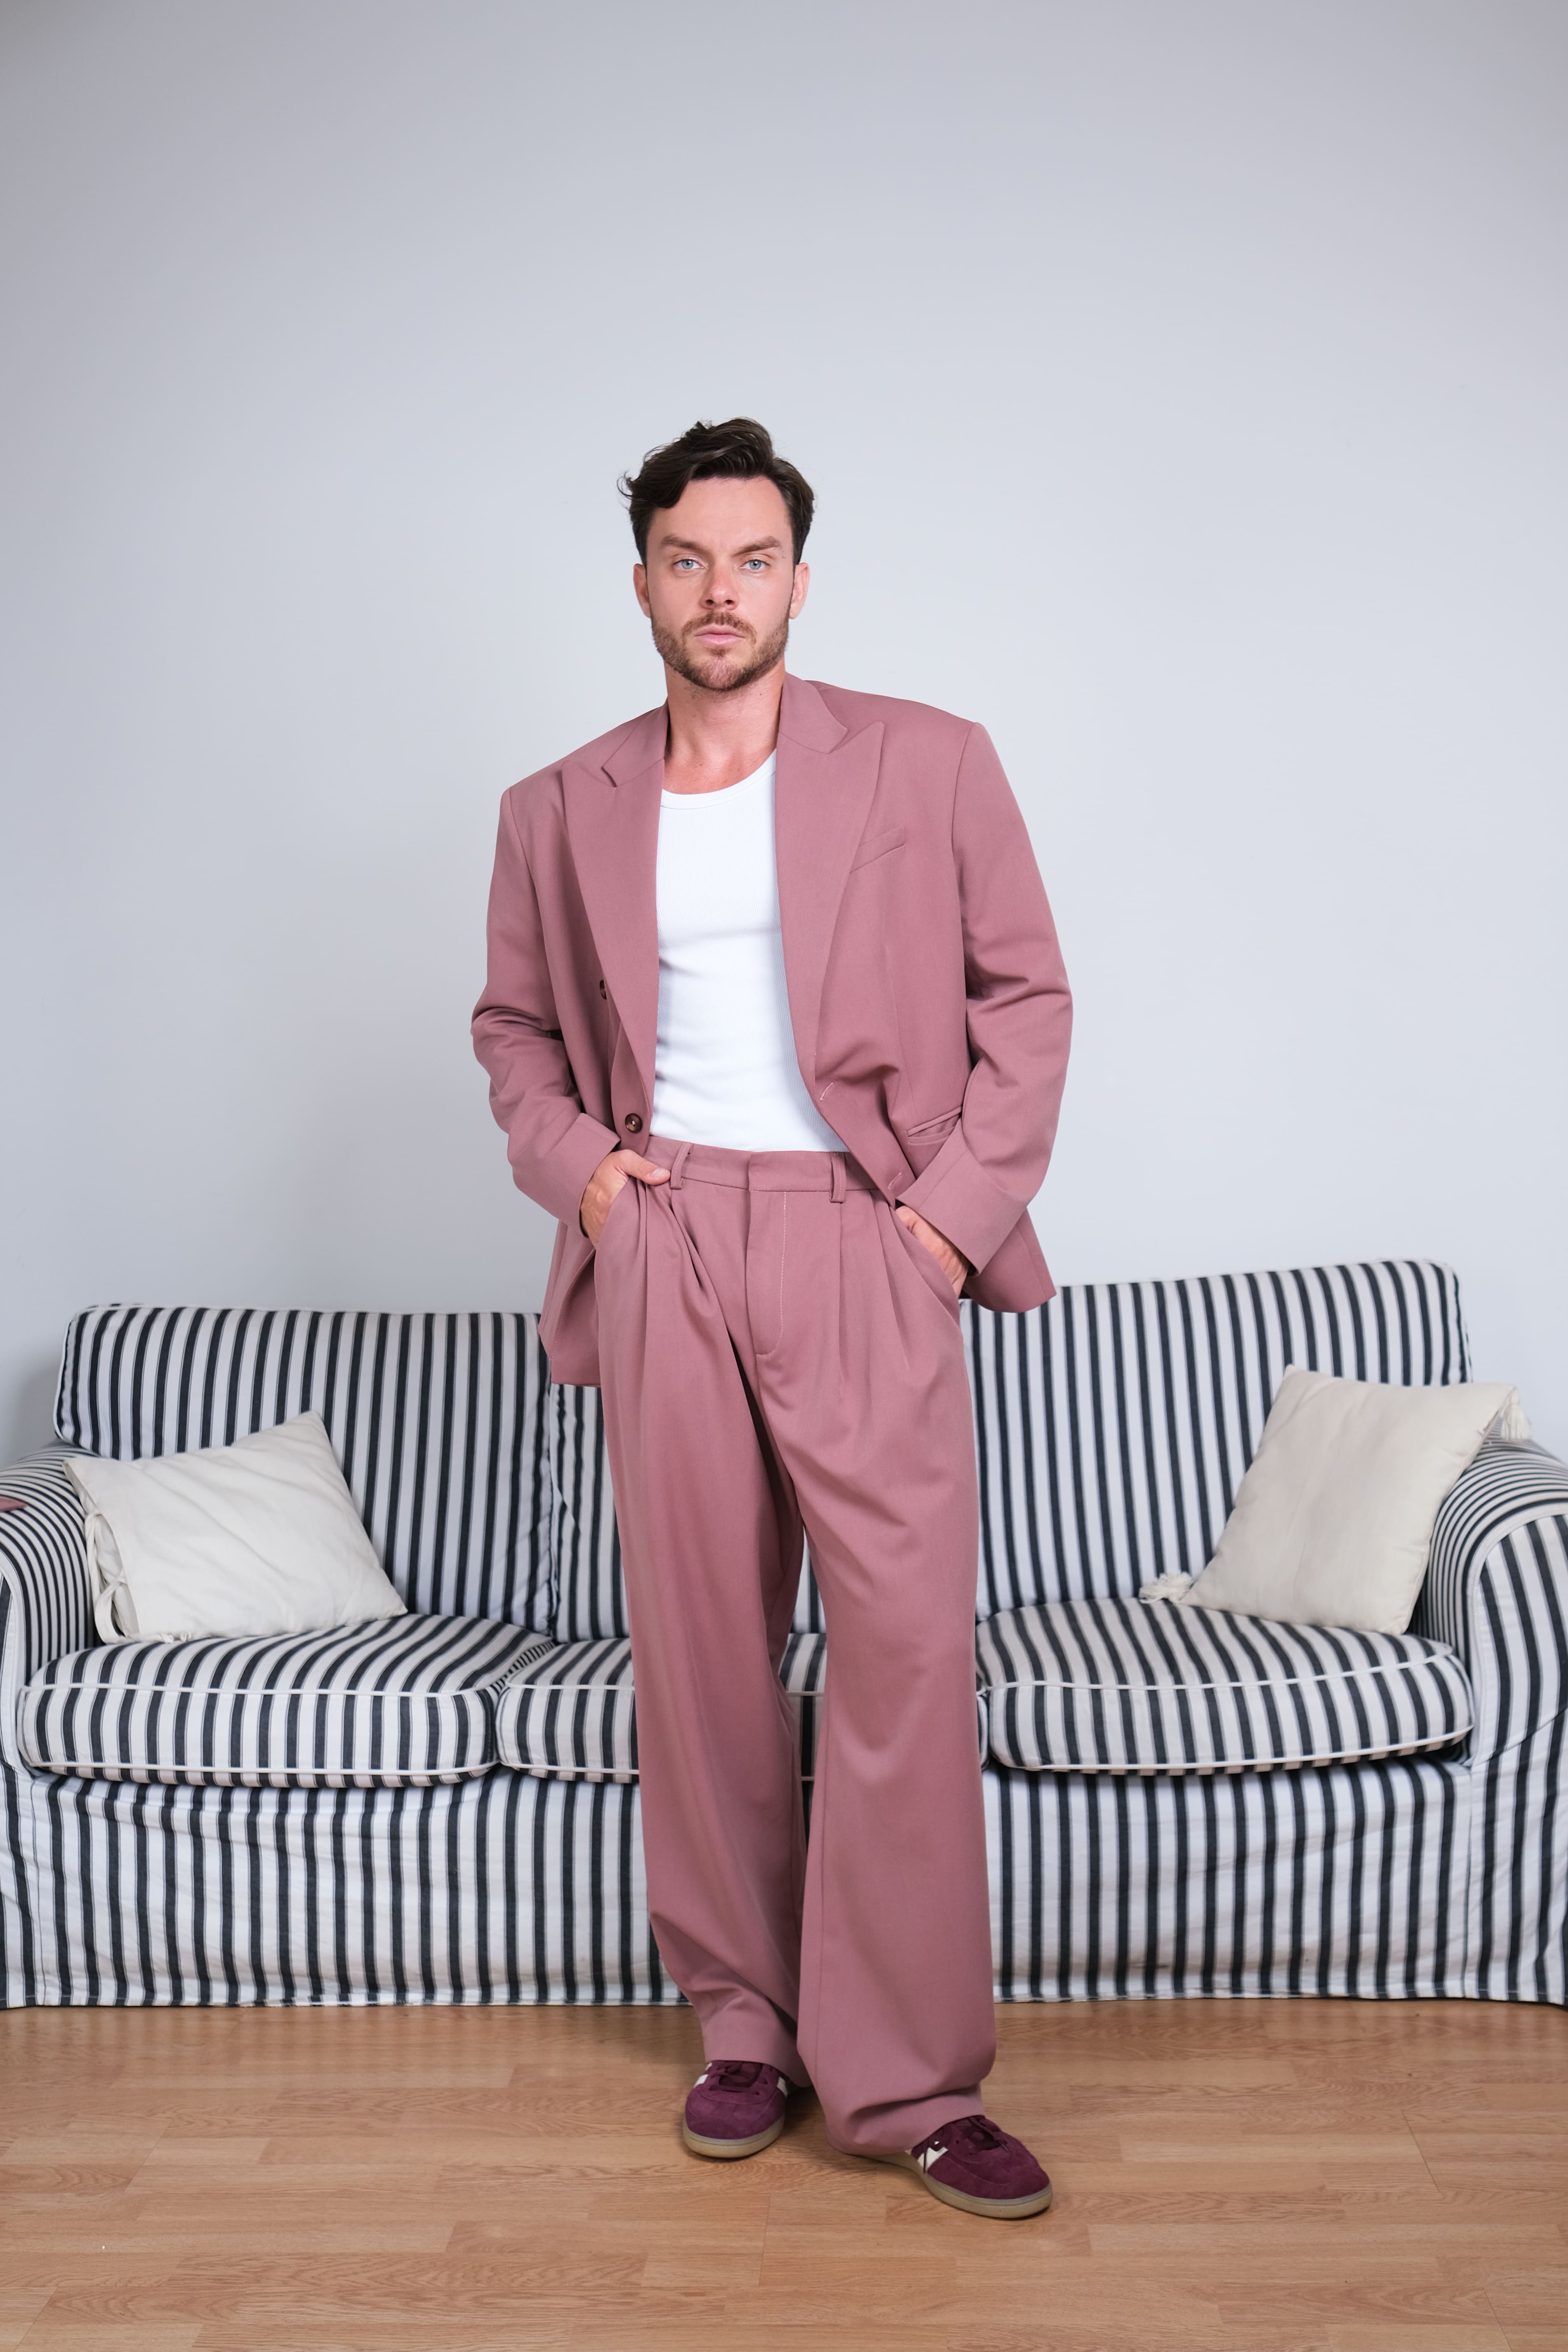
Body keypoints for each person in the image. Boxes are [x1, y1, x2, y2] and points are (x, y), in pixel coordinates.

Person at [473, 419, 1072, 2220]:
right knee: (704, 1660)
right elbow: (513, 1032)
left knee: (903, 1650)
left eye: (751, 559)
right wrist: (587, 1179)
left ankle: (909, 2081)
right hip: (666, 1231)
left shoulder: (932, 759)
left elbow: (1027, 999)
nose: (719, 591)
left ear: (800, 579)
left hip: (862, 1231)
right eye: (687, 559)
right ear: (642, 580)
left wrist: (942, 1228)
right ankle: (745, 2023)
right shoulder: (555, 805)